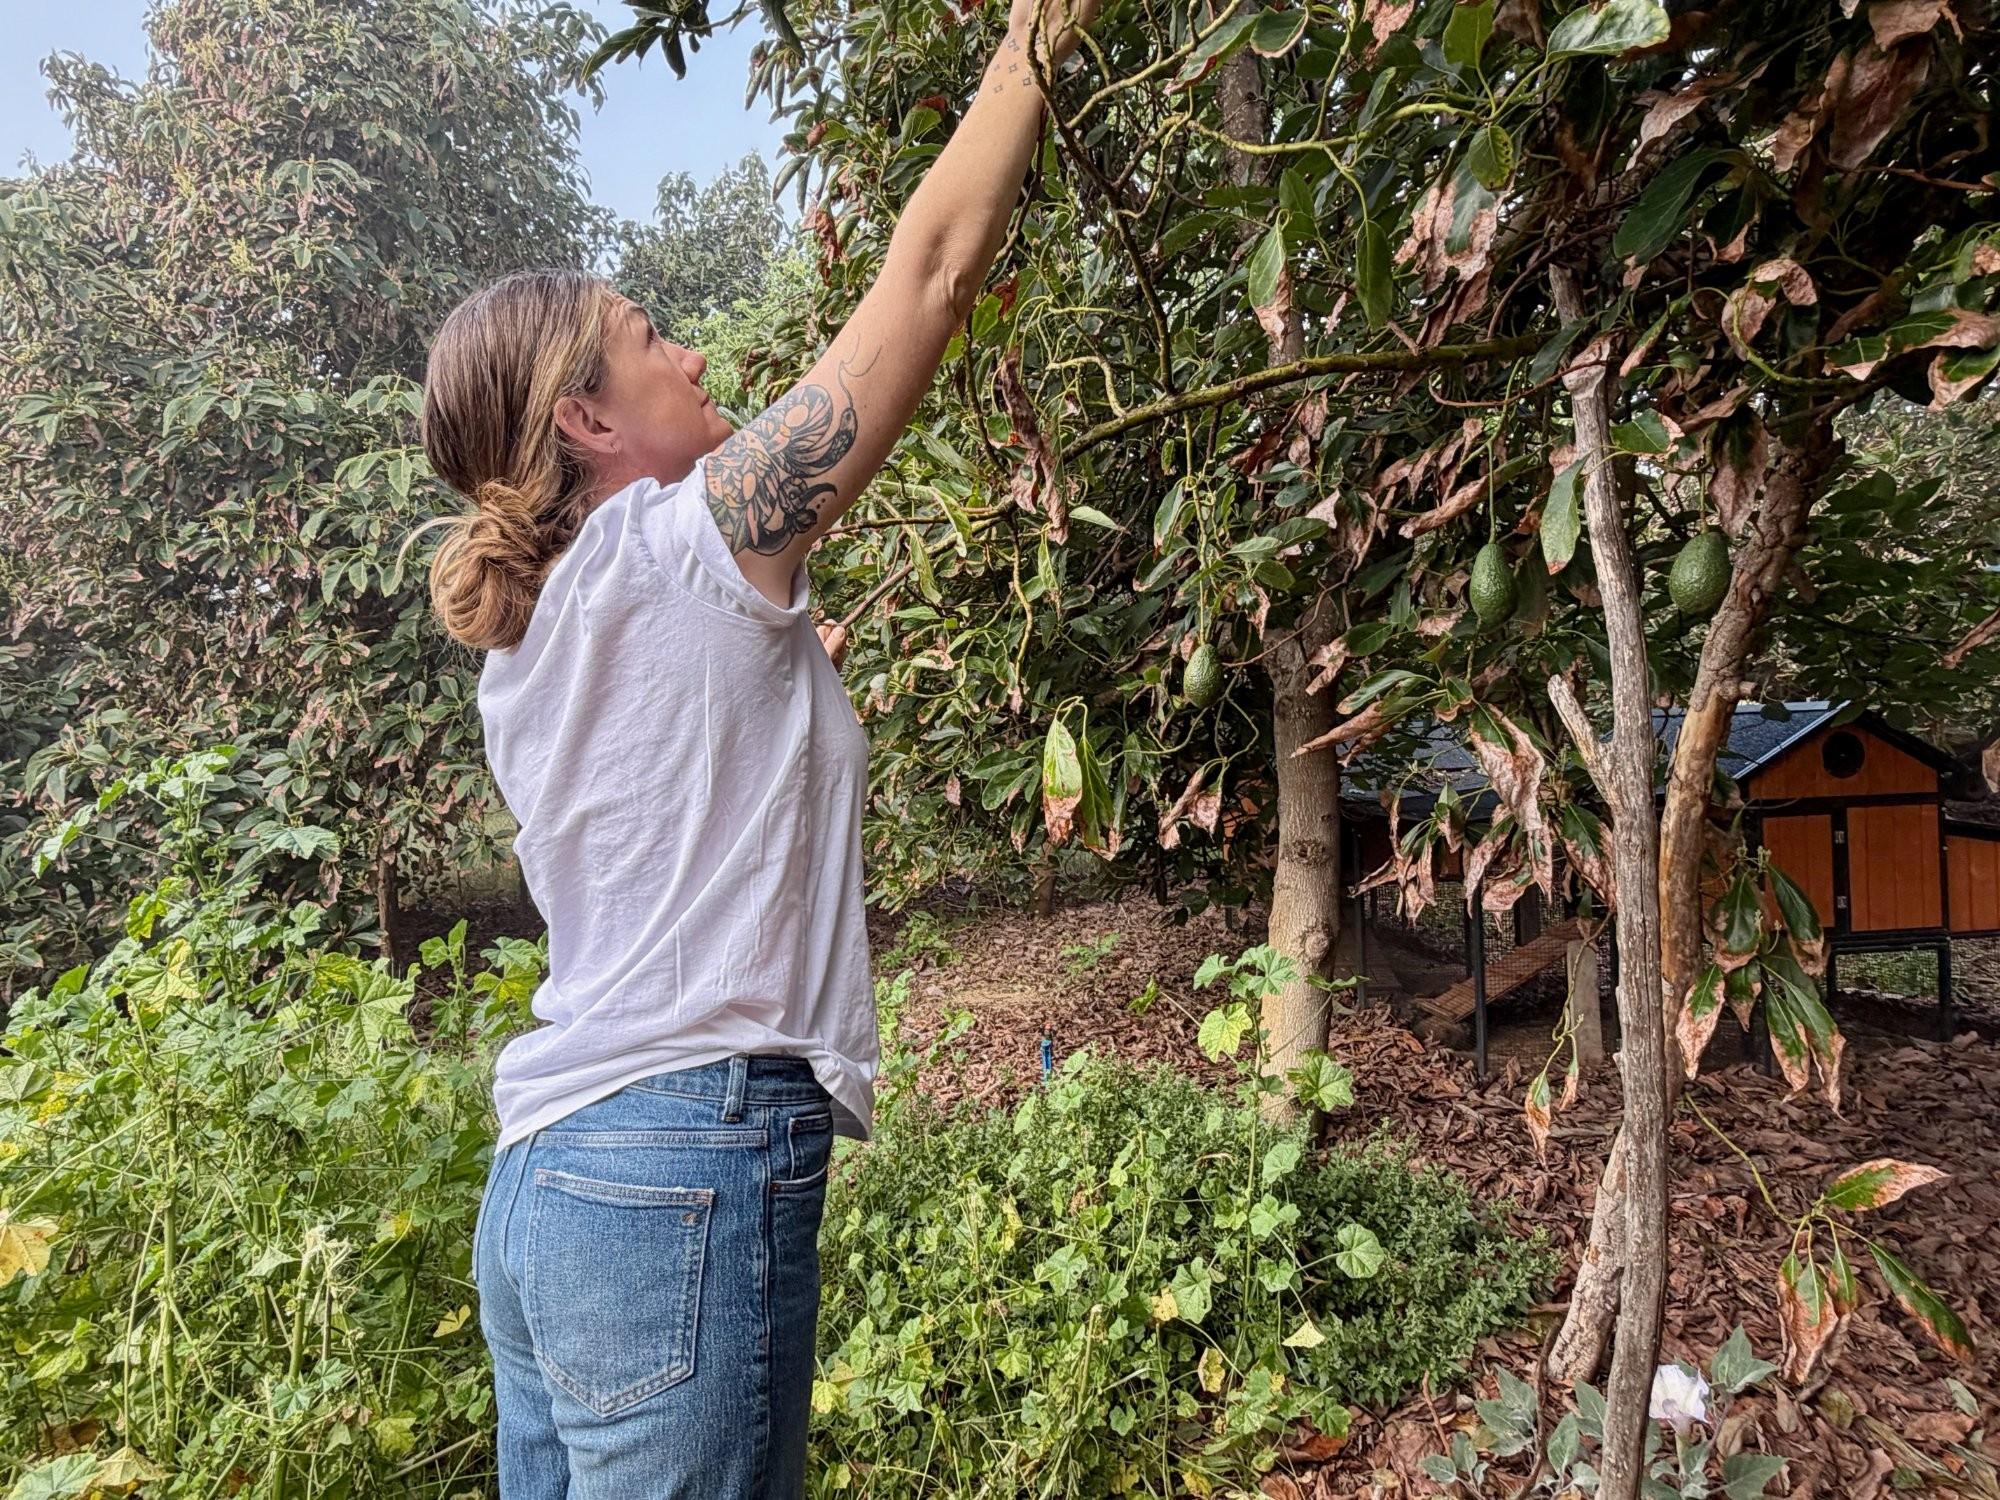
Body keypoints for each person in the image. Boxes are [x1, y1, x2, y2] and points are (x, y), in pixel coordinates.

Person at [413, 0, 1098, 1493]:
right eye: (655, 340)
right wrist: (1037, 39)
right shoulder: (691, 537)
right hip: (677, 1165)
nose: (696, 351)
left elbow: (683, 776)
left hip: (547, 1188)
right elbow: (931, 270)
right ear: (587, 415)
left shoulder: (531, 640)